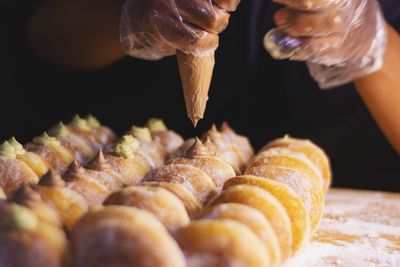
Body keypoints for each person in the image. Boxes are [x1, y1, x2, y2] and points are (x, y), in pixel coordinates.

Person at [2, 0, 400, 191]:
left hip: (346, 206)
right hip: (108, 170)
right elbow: (33, 37)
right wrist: (130, 17)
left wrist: (372, 44)